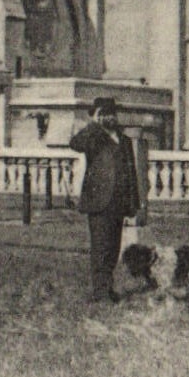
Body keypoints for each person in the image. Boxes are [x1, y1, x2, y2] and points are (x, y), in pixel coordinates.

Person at [69, 97, 145, 303]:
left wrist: (134, 203)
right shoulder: (94, 138)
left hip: (119, 203)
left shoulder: (125, 140)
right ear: (98, 115)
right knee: (100, 248)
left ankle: (107, 288)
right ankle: (100, 292)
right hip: (99, 202)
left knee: (113, 249)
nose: (109, 117)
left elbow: (131, 173)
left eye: (112, 113)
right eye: (104, 113)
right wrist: (93, 124)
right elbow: (75, 144)